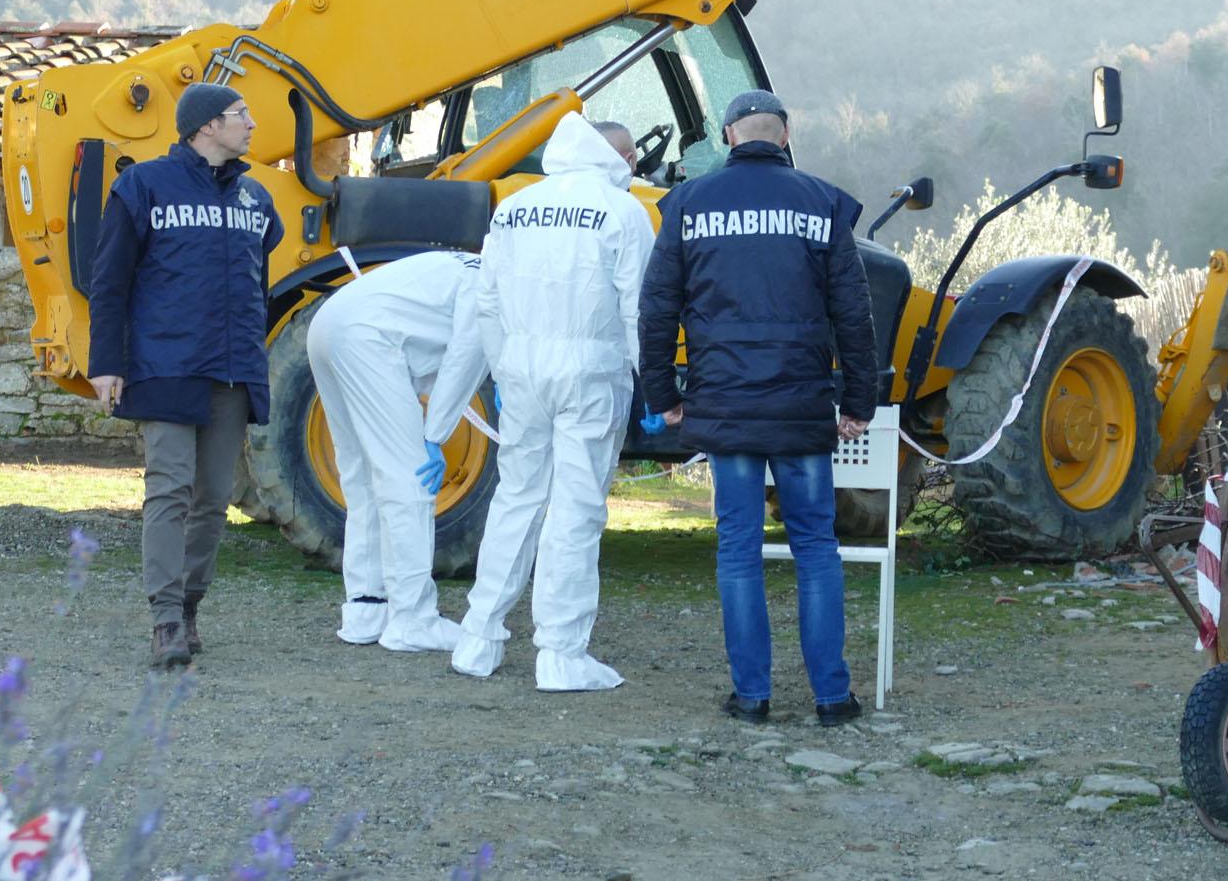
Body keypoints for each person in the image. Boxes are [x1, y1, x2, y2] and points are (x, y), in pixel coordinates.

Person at [637, 89, 877, 726]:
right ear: (787, 133)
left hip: (725, 405)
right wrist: (858, 402)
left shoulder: (687, 205)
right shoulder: (824, 204)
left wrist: (665, 397)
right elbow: (854, 314)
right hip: (801, 408)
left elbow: (656, 311)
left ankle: (751, 696)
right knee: (816, 550)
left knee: (737, 550)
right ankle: (832, 698)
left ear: (727, 135)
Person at [450, 114, 654, 691]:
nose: (634, 168)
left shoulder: (515, 207)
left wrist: (502, 367)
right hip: (590, 372)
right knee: (576, 507)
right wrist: (658, 389)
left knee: (515, 498)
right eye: (631, 158)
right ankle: (561, 653)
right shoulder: (622, 211)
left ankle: (478, 636)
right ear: (618, 158)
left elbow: (486, 301)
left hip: (520, 371)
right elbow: (642, 308)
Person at [86, 82, 283, 670]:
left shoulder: (256, 200)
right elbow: (110, 281)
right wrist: (106, 363)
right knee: (168, 490)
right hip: (165, 365)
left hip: (232, 370)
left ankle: (191, 607)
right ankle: (165, 619)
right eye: (238, 115)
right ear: (203, 127)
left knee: (214, 499)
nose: (250, 123)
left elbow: (258, 282)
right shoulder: (142, 186)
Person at [307, 248, 488, 654]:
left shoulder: (469, 263)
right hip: (367, 337)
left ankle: (366, 610)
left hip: (328, 323)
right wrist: (436, 435)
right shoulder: (494, 284)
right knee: (410, 477)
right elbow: (465, 357)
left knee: (362, 476)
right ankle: (413, 619)